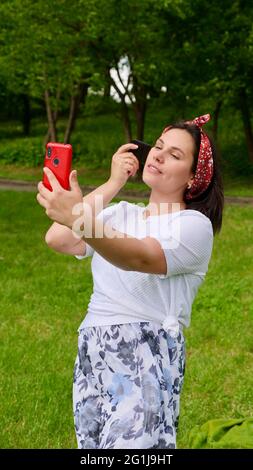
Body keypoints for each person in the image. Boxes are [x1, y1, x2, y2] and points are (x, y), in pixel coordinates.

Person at [37, 113, 224, 449]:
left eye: (175, 155)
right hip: (94, 347)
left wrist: (79, 218)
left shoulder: (193, 226)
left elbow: (138, 256)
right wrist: (112, 184)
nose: (158, 155)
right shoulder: (122, 212)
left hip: (145, 349)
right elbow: (58, 238)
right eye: (159, 146)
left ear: (194, 176)